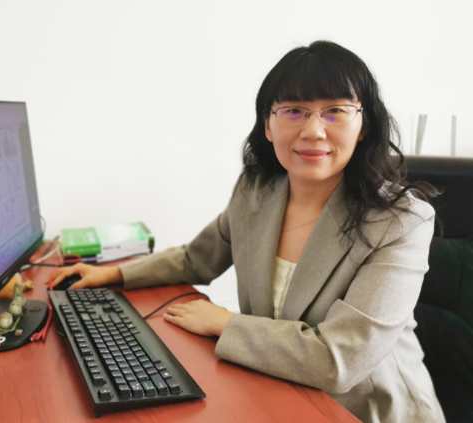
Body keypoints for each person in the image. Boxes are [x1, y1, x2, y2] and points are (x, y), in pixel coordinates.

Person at [51, 41, 445, 423]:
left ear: (363, 126)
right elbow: (195, 259)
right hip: (275, 390)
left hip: (364, 410)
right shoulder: (257, 190)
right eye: (294, 111)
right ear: (268, 125)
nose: (313, 130)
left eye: (335, 111)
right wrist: (114, 273)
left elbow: (338, 361)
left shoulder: (400, 222)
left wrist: (224, 322)